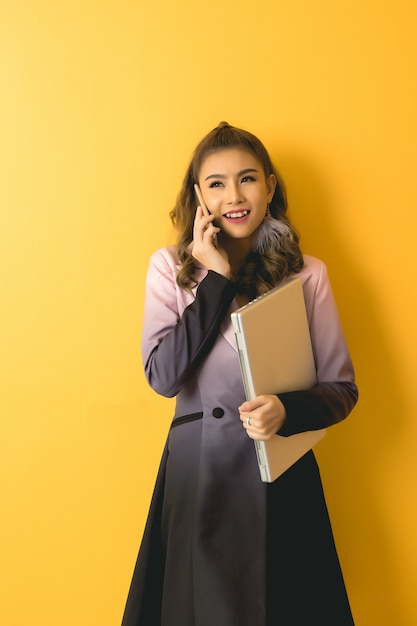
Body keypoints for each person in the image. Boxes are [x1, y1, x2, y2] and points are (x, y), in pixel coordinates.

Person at [121, 122, 358, 626]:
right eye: (216, 183)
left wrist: (288, 410)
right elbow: (163, 377)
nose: (234, 196)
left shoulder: (306, 273)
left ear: (270, 186)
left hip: (280, 473)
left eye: (248, 179)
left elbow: (342, 389)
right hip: (198, 475)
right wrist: (218, 281)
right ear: (198, 195)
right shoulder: (170, 268)